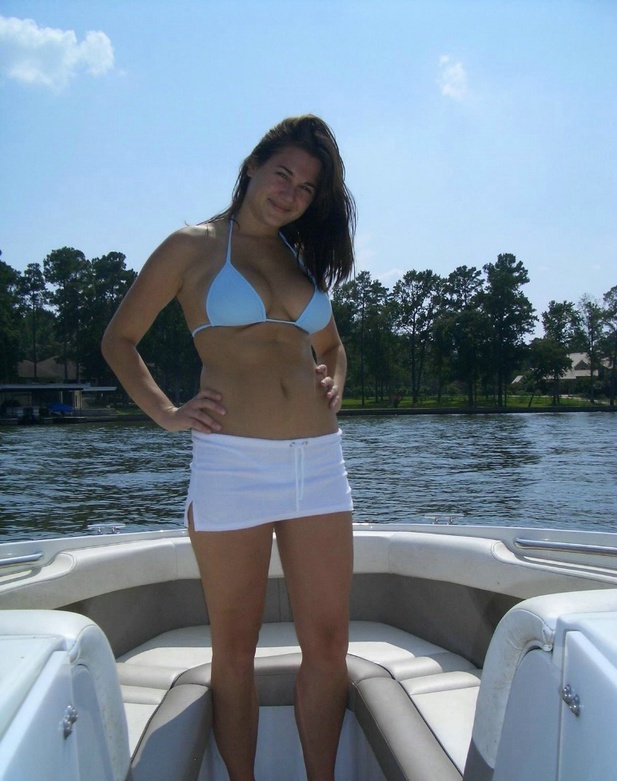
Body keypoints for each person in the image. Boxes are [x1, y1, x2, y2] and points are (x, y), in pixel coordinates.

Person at [101, 114, 356, 781]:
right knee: (234, 650)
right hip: (233, 464)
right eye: (282, 174)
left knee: (329, 644)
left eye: (306, 187)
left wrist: (335, 378)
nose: (290, 193)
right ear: (252, 167)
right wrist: (167, 413)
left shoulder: (299, 259)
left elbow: (331, 345)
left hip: (320, 466)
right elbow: (119, 339)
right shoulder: (193, 247)